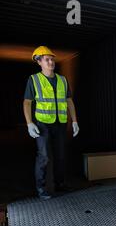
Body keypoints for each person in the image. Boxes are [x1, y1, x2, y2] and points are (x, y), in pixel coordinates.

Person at [23, 46, 79, 200]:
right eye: (47, 59)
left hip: (60, 124)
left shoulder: (62, 80)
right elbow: (27, 103)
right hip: (42, 124)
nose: (51, 61)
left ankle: (60, 184)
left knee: (60, 156)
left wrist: (74, 121)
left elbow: (69, 101)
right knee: (44, 156)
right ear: (39, 62)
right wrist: (29, 123)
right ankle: (41, 188)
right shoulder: (34, 80)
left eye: (52, 59)